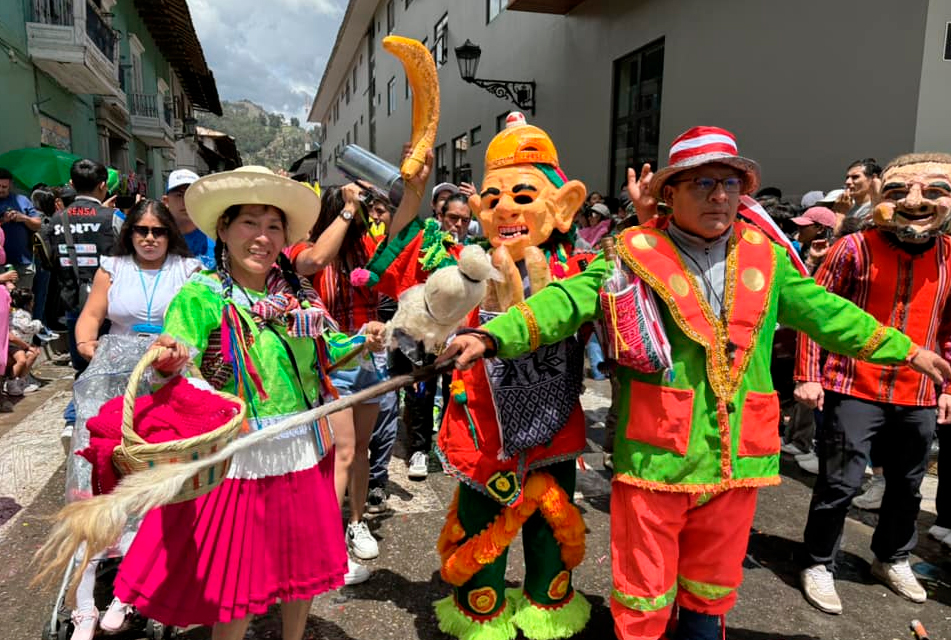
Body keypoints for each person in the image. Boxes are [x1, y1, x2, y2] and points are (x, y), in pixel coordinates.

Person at [439, 126, 951, 640]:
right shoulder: (631, 253)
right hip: (657, 455)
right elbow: (565, 302)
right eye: (703, 184)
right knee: (644, 590)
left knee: (711, 585)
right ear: (671, 194)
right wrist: (492, 337)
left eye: (730, 184)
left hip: (738, 457)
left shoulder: (765, 257)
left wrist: (908, 349)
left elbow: (829, 314)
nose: (720, 196)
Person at [368, 112, 594, 640]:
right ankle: (482, 616)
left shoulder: (581, 272)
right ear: (477, 211)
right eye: (492, 199)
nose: (506, 209)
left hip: (554, 431)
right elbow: (392, 273)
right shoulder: (460, 264)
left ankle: (546, 609)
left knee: (550, 541)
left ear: (561, 206)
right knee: (479, 539)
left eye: (523, 195)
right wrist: (412, 195)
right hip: (480, 433)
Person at [112, 165, 358, 640]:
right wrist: (172, 354)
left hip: (299, 449)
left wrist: (371, 338)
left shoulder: (296, 297)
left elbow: (333, 347)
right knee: (237, 577)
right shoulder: (201, 295)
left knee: (300, 564)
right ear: (223, 229)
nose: (262, 237)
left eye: (273, 226)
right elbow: (176, 349)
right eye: (249, 223)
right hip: (239, 454)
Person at [795, 152, 951, 614]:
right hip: (852, 384)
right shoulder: (852, 248)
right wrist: (807, 375)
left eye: (933, 191)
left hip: (919, 392)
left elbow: (949, 330)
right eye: (901, 191)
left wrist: (949, 386)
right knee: (839, 483)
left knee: (907, 484)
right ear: (883, 197)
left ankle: (892, 557)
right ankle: (818, 561)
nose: (916, 201)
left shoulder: (950, 257)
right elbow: (813, 312)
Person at [288, 183, 389, 582]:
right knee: (342, 453)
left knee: (362, 449)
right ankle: (327, 545)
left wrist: (377, 328)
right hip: (329, 364)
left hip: (367, 360)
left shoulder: (366, 252)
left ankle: (356, 521)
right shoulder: (302, 248)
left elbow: (377, 300)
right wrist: (347, 210)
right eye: (352, 213)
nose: (362, 219)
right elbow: (313, 262)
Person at [44, 159, 117, 445]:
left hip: (72, 303)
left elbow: (48, 260)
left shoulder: (55, 221)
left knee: (84, 366)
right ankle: (96, 423)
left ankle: (75, 422)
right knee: (111, 368)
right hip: (108, 305)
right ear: (102, 186)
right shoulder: (111, 218)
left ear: (72, 185)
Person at [73, 199, 201, 355]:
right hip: (118, 362)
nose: (149, 238)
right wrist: (84, 343)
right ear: (130, 232)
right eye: (141, 230)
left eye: (158, 231)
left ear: (170, 234)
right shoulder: (111, 269)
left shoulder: (189, 270)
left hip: (172, 362)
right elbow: (92, 315)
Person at [162, 169, 215, 269]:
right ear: (166, 201)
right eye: (179, 195)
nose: (186, 201)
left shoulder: (217, 241)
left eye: (193, 195)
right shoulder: (156, 240)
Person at [0, 168, 42, 291]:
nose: (1, 189)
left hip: (23, 261)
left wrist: (23, 218)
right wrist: (3, 221)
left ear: (10, 185)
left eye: (4, 187)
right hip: (1, 265)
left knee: (24, 301)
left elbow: (37, 224)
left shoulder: (22, 200)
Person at [6, 288, 42, 396]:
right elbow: (27, 327)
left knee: (33, 353)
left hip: (20, 344)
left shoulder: (18, 312)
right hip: (15, 345)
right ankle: (11, 382)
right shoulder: (19, 314)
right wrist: (38, 324)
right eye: (32, 301)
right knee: (21, 360)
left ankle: (21, 381)